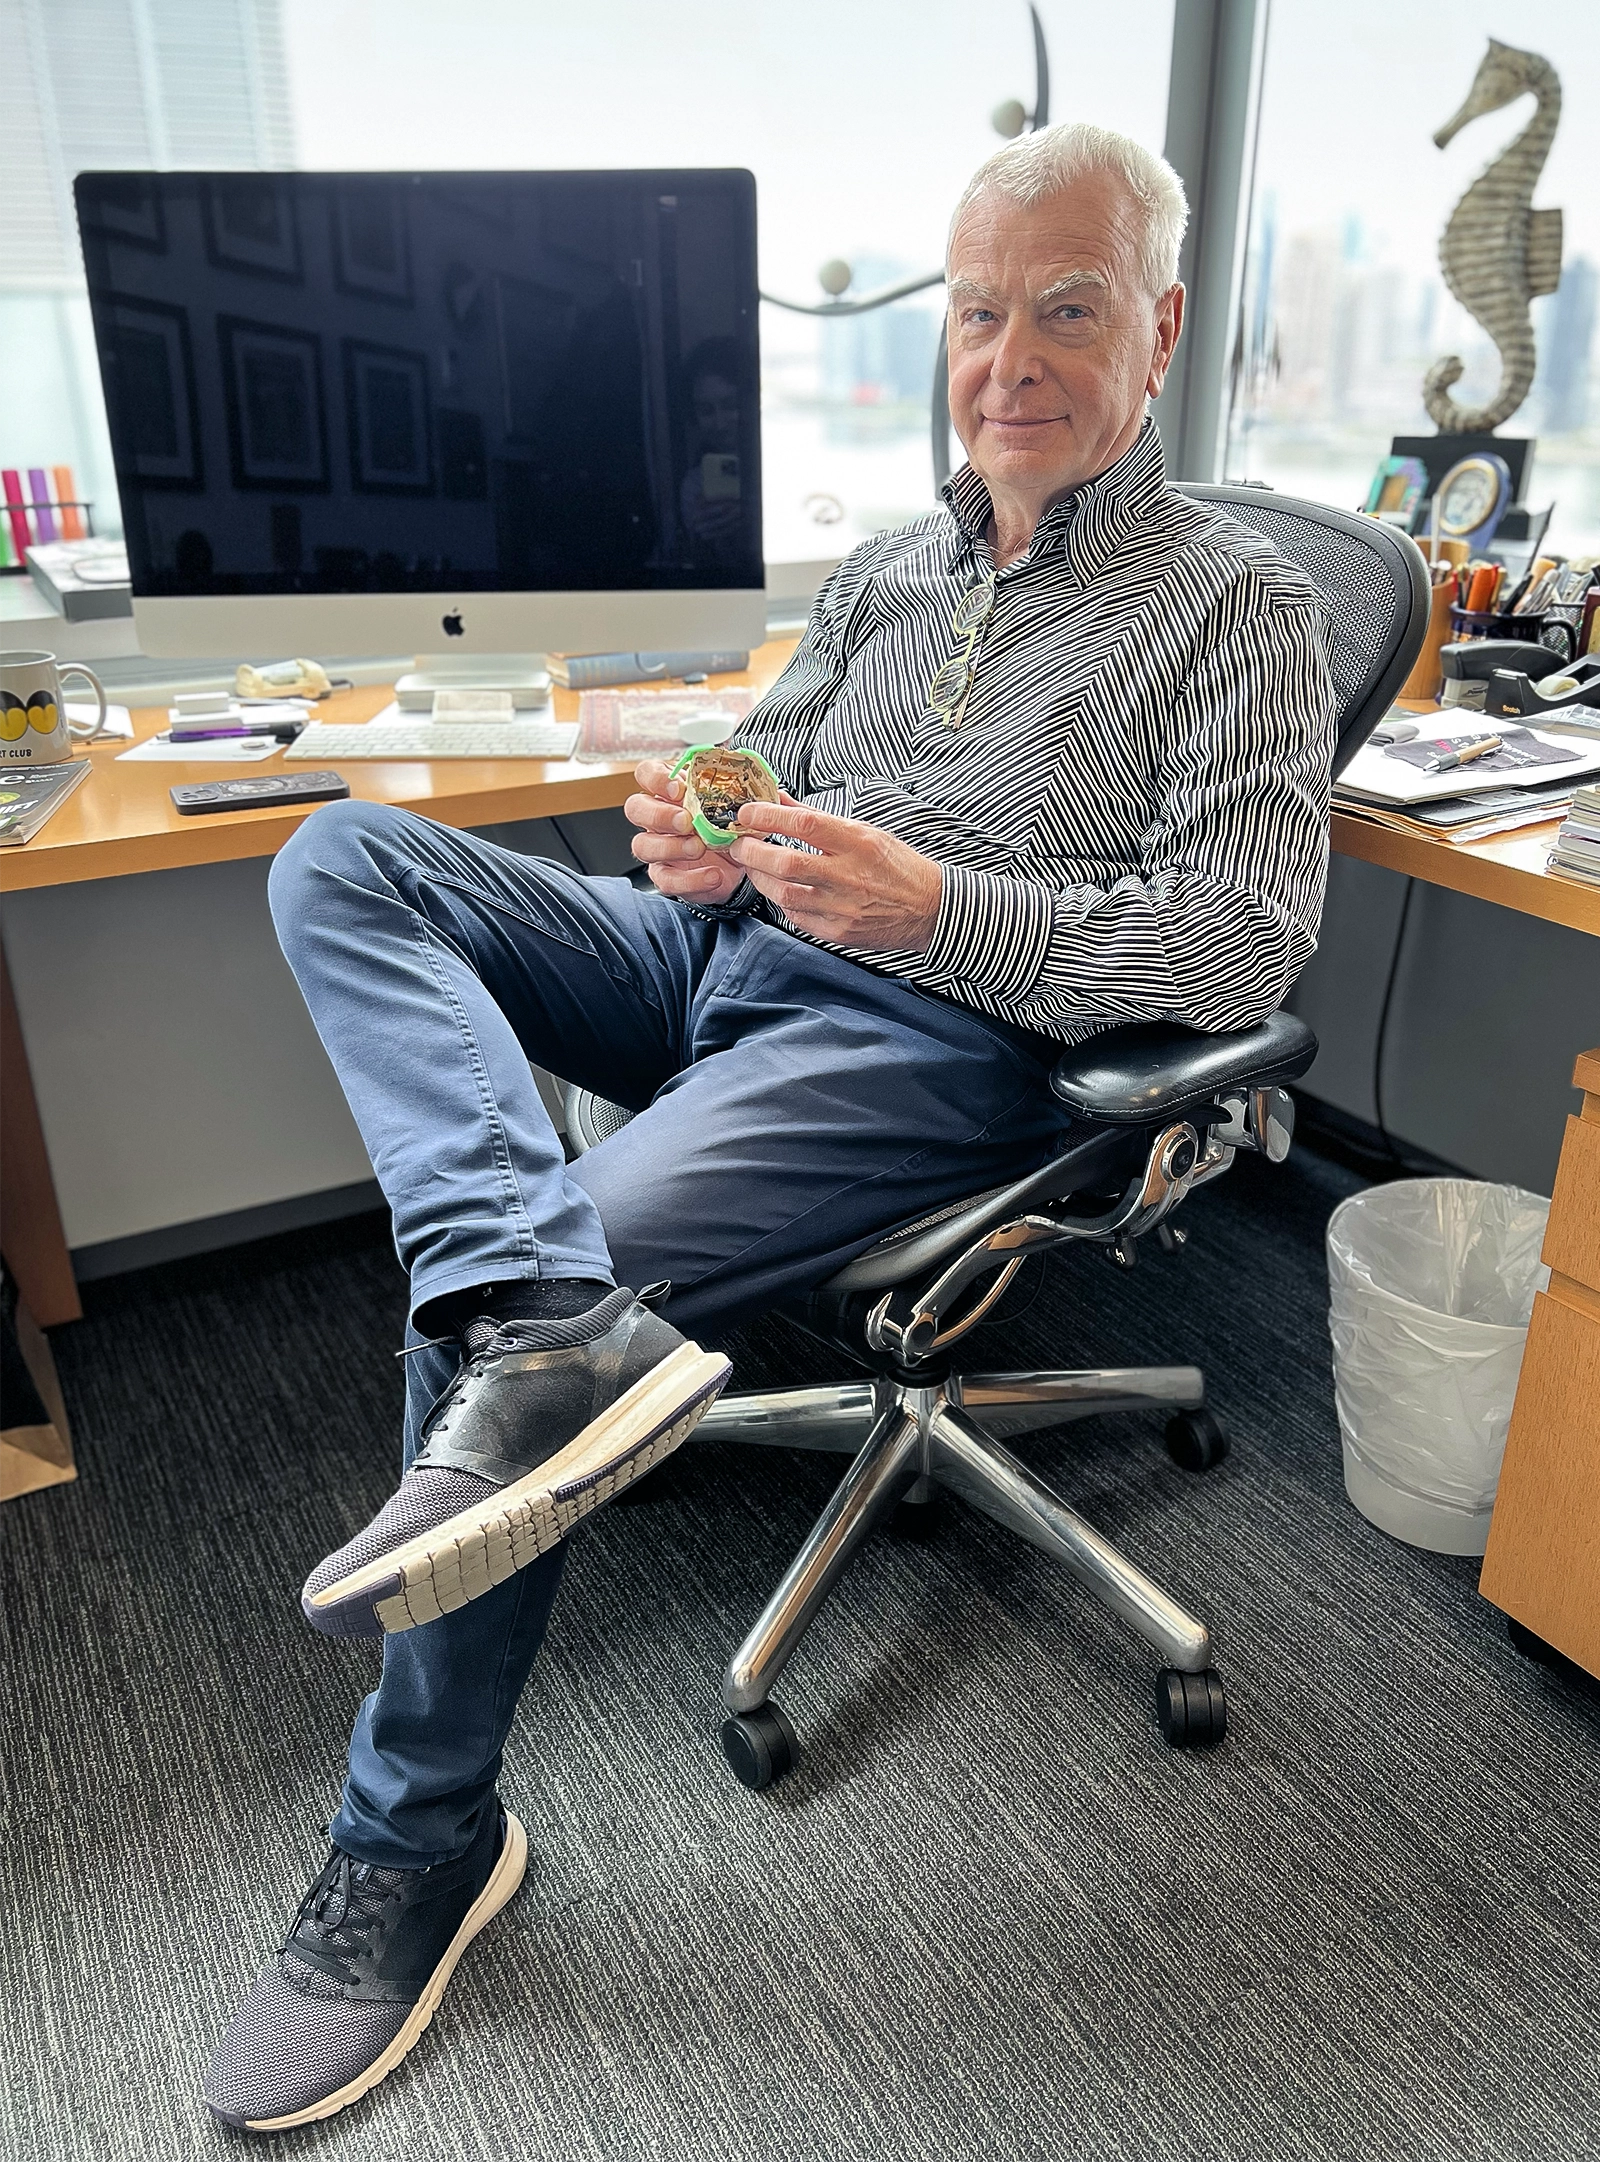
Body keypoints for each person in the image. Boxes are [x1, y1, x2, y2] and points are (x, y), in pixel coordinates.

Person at [204, 121, 1335, 2132]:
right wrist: (701, 825)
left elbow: (1240, 941)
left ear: (1154, 332)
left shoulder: (1230, 602)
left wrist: (933, 905)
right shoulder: (898, 559)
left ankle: (419, 1832)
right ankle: (535, 1298)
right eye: (979, 314)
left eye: (1063, 310)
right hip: (722, 960)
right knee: (346, 855)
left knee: (483, 1317)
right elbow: (767, 767)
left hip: (923, 1036)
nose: (1007, 358)